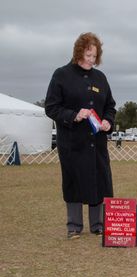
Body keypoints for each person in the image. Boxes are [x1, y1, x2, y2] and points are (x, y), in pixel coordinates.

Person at [45, 32, 116, 239]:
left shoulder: (100, 78)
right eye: (88, 55)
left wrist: (108, 121)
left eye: (94, 57)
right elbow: (51, 107)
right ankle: (74, 225)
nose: (91, 60)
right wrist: (74, 115)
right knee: (73, 181)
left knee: (99, 181)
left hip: (97, 142)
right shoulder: (61, 75)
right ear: (78, 52)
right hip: (72, 142)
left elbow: (110, 106)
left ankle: (98, 224)